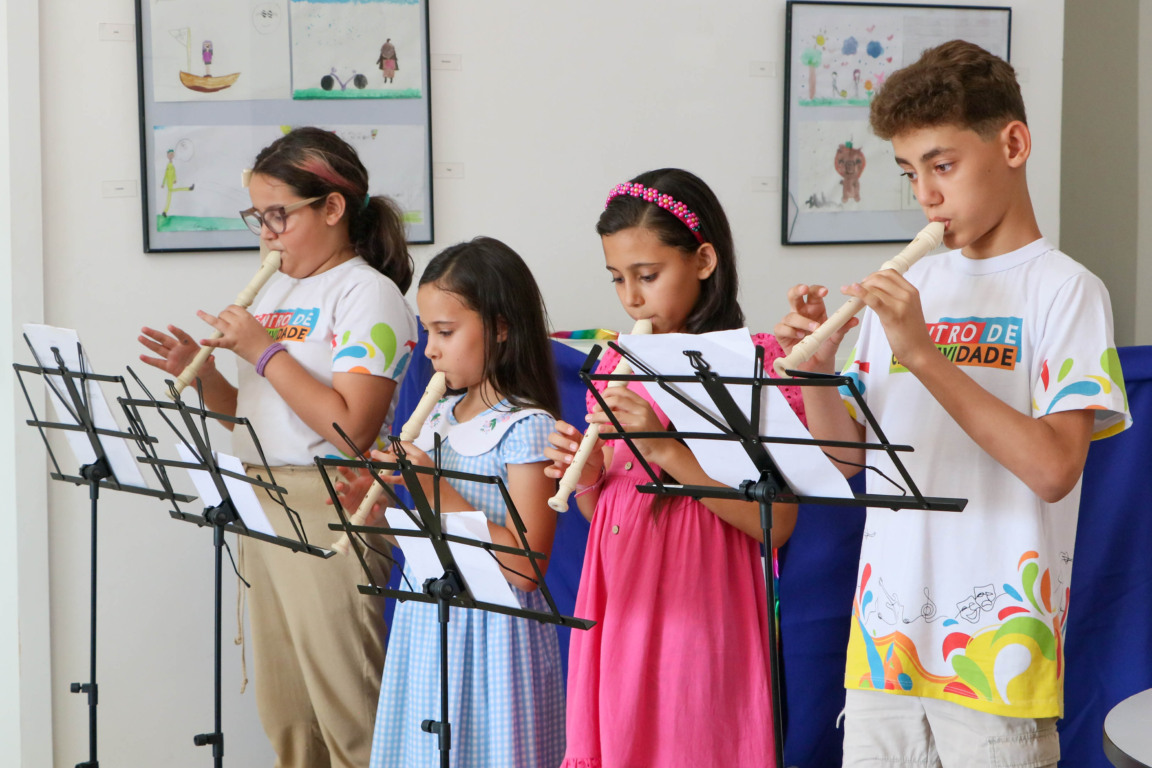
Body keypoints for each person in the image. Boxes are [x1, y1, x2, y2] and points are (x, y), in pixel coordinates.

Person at [774, 41, 1131, 767]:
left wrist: (925, 355)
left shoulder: (1066, 290)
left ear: (1013, 145)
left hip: (997, 657)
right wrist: (817, 371)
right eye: (910, 172)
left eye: (942, 165)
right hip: (885, 647)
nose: (926, 196)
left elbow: (1055, 469)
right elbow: (850, 460)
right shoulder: (913, 289)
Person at [138, 126, 418, 768]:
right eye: (258, 217)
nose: (266, 233)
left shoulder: (366, 293)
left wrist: (264, 352)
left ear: (332, 208)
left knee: (349, 711)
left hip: (329, 504)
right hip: (263, 497)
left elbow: (350, 427)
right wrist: (206, 377)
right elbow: (260, 417)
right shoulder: (279, 289)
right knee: (288, 713)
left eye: (279, 215)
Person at [545, 168, 804, 767]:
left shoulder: (749, 362)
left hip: (701, 597)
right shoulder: (617, 360)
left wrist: (665, 449)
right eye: (618, 278)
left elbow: (777, 523)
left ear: (704, 261)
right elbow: (605, 509)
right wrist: (589, 476)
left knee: (689, 740)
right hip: (619, 596)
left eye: (648, 275)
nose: (631, 298)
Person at [342, 237, 566, 768]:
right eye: (427, 332)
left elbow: (526, 568)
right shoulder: (438, 416)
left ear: (501, 328)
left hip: (494, 637)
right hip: (428, 624)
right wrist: (382, 513)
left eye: (445, 332)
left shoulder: (527, 427)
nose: (430, 349)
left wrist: (433, 488)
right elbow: (429, 544)